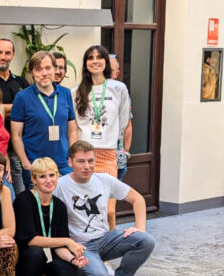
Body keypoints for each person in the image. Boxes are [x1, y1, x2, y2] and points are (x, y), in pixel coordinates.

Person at [53, 141, 155, 276]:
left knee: (146, 240)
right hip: (81, 245)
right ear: (70, 162)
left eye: (90, 161)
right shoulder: (60, 185)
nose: (87, 166)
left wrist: (139, 228)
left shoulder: (104, 180)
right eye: (81, 161)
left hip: (106, 239)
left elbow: (137, 199)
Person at [12, 157, 89, 276]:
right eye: (42, 176)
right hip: (23, 256)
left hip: (48, 256)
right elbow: (30, 240)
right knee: (36, 251)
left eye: (52, 175)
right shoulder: (24, 200)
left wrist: (73, 260)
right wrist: (67, 241)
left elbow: (59, 245)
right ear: (33, 180)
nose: (48, 180)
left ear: (57, 176)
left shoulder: (59, 206)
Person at [72, 46, 131, 230]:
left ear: (106, 62)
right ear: (85, 63)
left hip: (107, 156)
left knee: (109, 211)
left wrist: (110, 136)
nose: (95, 61)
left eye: (99, 57)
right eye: (90, 58)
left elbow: (123, 121)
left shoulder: (119, 88)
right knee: (86, 210)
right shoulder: (76, 92)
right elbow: (74, 124)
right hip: (84, 155)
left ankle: (110, 243)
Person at [10, 50, 77, 190]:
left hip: (63, 165)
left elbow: (72, 131)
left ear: (54, 69)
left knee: (65, 202)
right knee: (38, 203)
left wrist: (72, 158)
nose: (44, 73)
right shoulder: (22, 97)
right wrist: (26, 164)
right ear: (32, 73)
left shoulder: (65, 94)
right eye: (39, 69)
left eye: (48, 68)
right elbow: (16, 135)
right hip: (36, 165)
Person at [0, 38, 29, 194]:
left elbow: (31, 108)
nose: (3, 57)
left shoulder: (21, 82)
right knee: (8, 193)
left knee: (26, 191)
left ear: (13, 55)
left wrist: (4, 109)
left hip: (23, 147)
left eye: (7, 53)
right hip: (0, 150)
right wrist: (20, 109)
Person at [109, 54, 133, 182]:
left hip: (117, 160)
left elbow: (128, 124)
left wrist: (126, 152)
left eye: (110, 70)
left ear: (116, 74)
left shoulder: (121, 92)